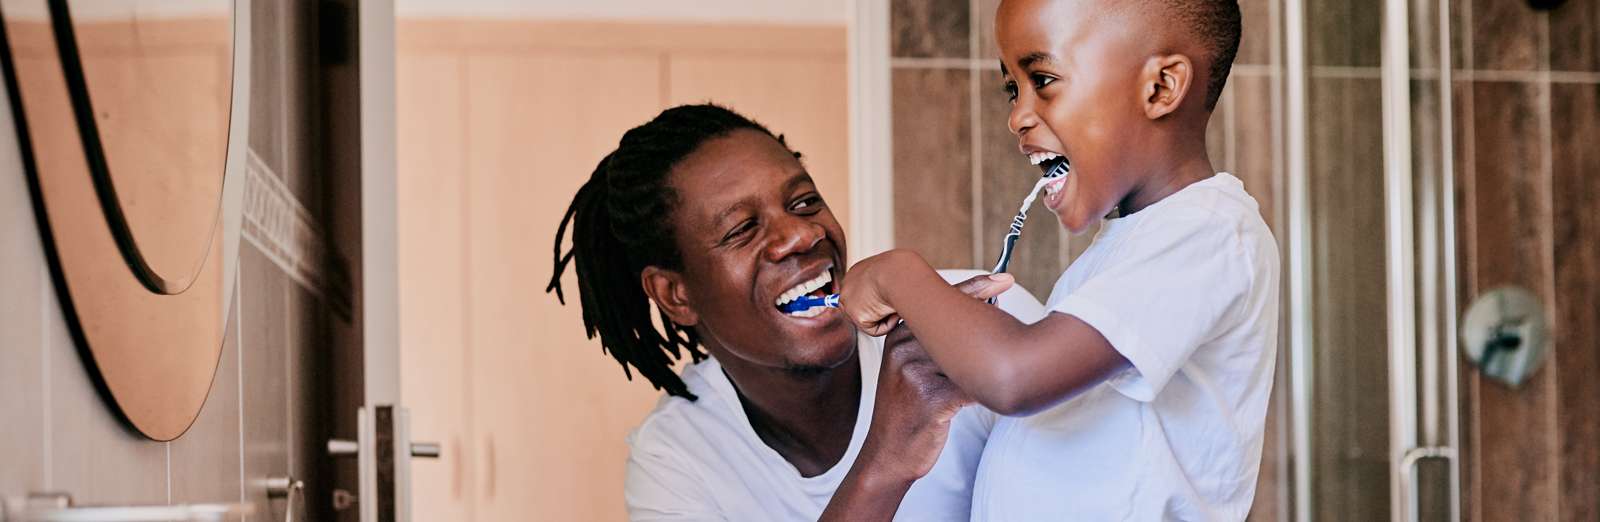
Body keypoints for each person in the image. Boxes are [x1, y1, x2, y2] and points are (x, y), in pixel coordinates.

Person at [834, 0, 1280, 519]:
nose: (1017, 116)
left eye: (1042, 78)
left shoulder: (1209, 231)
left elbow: (1013, 377)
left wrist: (898, 273)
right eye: (1013, 88)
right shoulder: (1134, 243)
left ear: (1160, 88)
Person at [547, 104, 1041, 521]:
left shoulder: (972, 317)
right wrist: (890, 455)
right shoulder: (677, 459)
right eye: (742, 229)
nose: (803, 236)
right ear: (677, 295)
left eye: (804, 202)